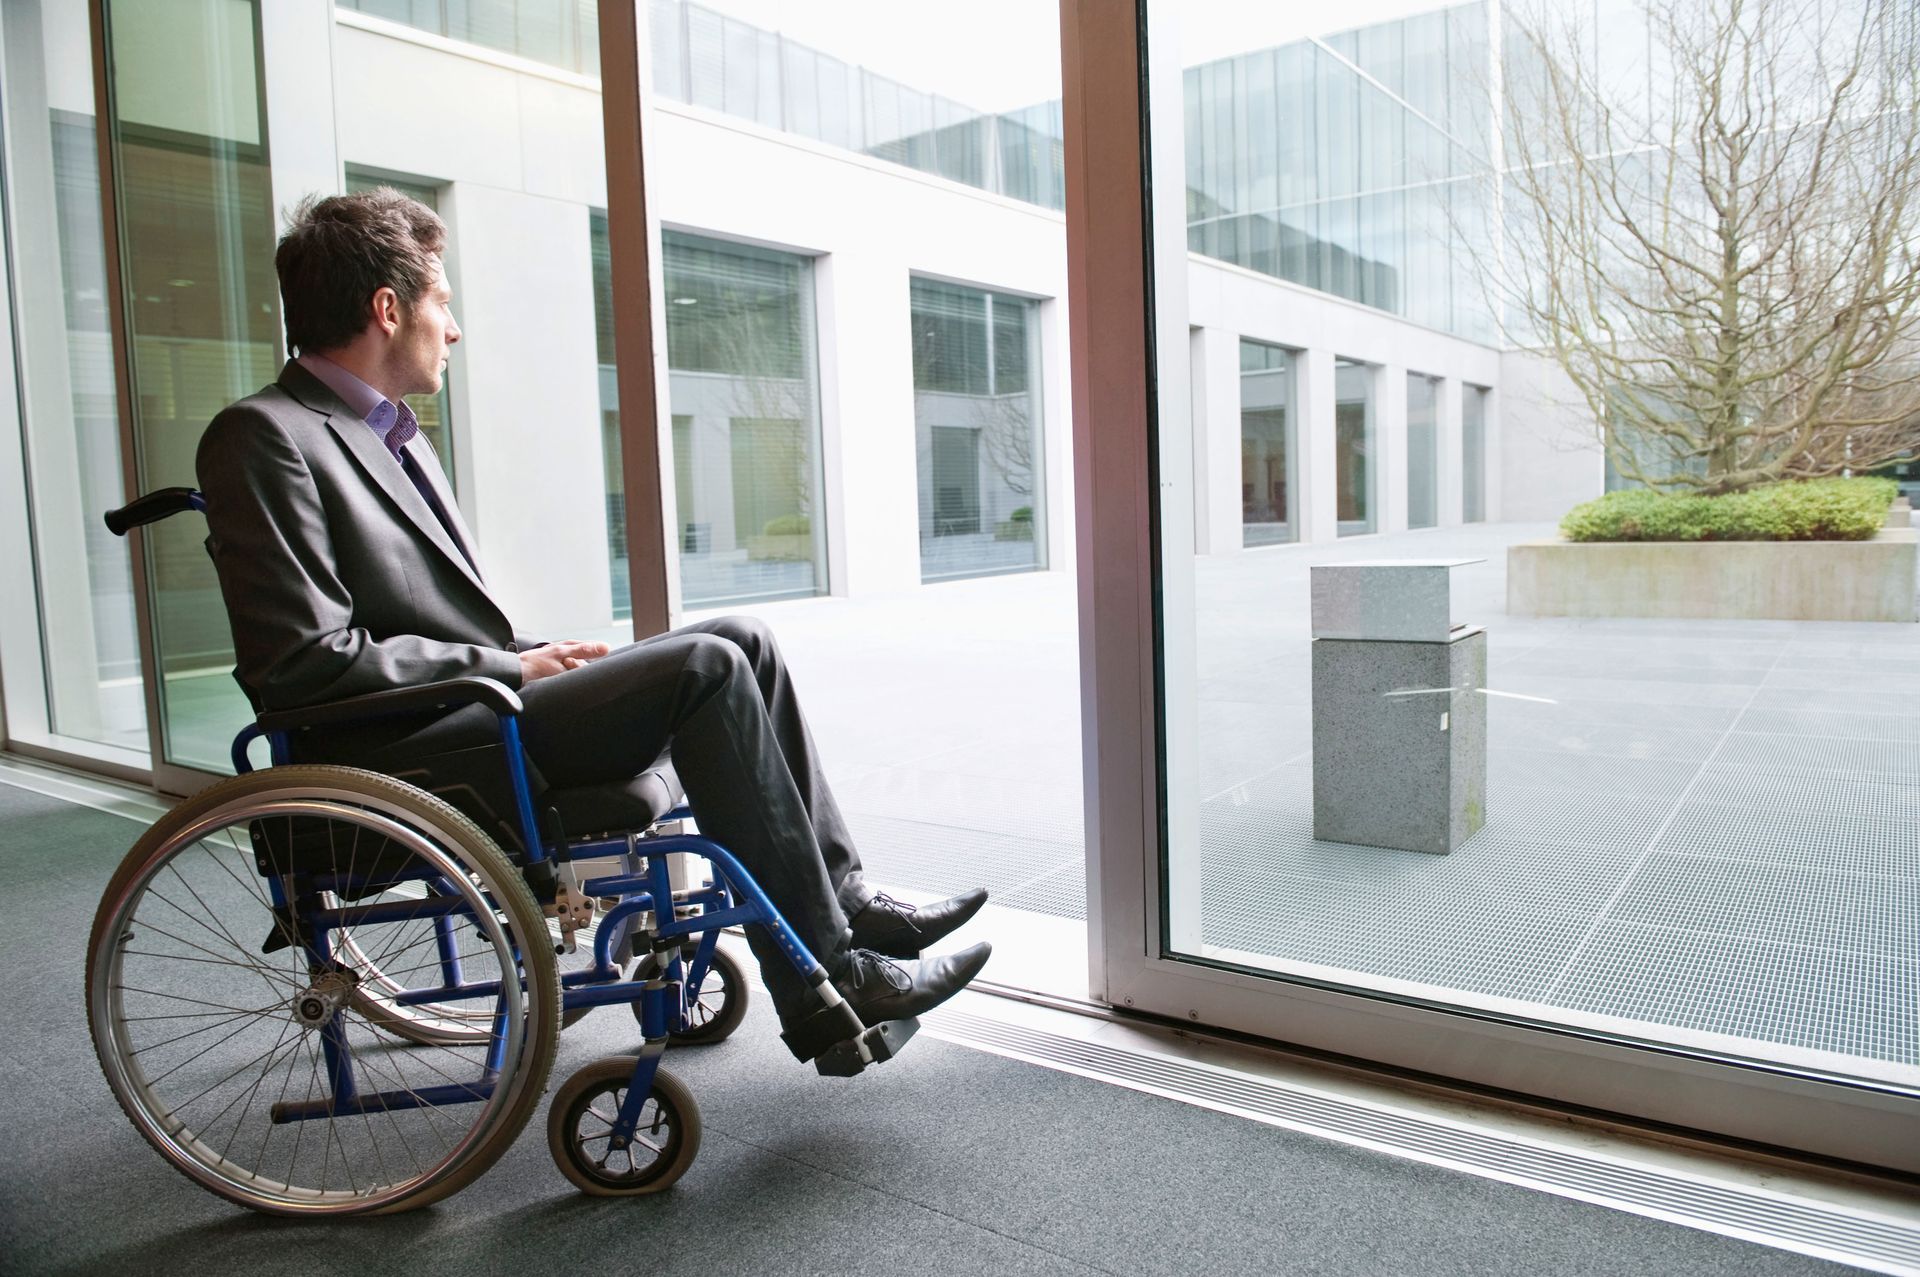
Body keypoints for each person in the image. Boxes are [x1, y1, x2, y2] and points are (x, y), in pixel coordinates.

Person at [196, 188, 991, 1058]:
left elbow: (413, 614)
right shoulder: (264, 437)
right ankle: (830, 977)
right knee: (707, 669)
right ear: (388, 310)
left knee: (743, 640)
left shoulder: (390, 435)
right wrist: (505, 669)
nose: (452, 329)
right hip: (415, 744)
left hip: (466, 704)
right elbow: (306, 663)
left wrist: (525, 654)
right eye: (442, 303)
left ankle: (850, 904)